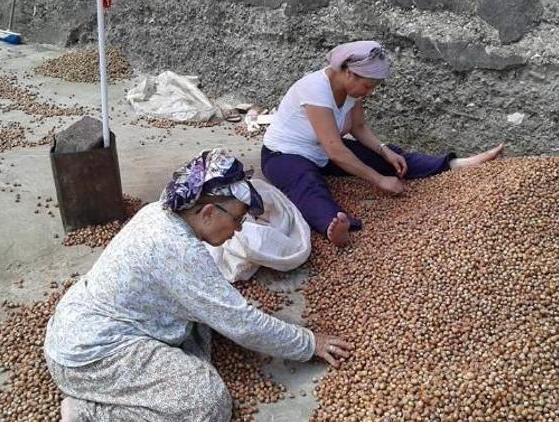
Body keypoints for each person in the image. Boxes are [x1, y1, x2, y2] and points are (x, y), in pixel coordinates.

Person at [43, 149, 353, 422]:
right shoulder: (177, 249)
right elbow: (242, 323)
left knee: (206, 323)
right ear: (207, 212)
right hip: (88, 357)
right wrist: (311, 342)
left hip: (89, 327)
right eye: (238, 220)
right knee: (208, 404)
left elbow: (226, 312)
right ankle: (88, 414)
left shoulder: (160, 212)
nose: (239, 229)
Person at [261, 40, 504, 247]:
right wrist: (379, 180)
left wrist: (384, 150)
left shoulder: (352, 91)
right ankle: (332, 226)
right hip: (284, 154)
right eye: (367, 86)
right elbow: (336, 150)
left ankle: (455, 164)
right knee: (307, 183)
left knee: (391, 158)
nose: (369, 93)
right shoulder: (315, 89)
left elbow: (359, 128)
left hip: (321, 151)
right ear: (349, 73)